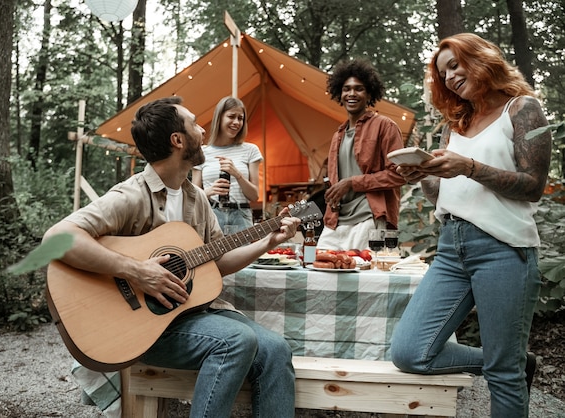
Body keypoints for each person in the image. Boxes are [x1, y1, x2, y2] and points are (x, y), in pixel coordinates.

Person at [43, 96, 300, 418]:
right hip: (140, 326)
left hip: (190, 315)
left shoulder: (197, 199)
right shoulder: (132, 195)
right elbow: (56, 237)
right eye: (195, 123)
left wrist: (266, 242)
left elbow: (216, 261)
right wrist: (136, 270)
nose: (203, 130)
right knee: (236, 339)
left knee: (276, 350)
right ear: (178, 140)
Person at [389, 33, 551, 418]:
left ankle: (506, 363)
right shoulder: (456, 123)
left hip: (504, 250)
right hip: (451, 248)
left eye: (455, 64)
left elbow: (534, 187)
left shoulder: (523, 109)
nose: (449, 77)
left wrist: (470, 167)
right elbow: (442, 194)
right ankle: (511, 359)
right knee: (410, 352)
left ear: (481, 58)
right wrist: (420, 174)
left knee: (502, 377)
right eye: (443, 73)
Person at [318, 58, 406, 251]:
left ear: (369, 94)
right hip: (335, 220)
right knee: (321, 270)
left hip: (369, 217)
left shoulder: (385, 126)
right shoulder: (337, 135)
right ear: (339, 94)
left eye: (359, 88)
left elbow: (398, 174)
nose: (352, 93)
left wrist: (352, 182)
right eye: (346, 89)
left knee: (365, 276)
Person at [192, 96, 263, 234]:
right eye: (231, 116)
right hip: (211, 215)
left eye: (240, 118)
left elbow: (254, 196)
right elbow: (194, 196)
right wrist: (210, 190)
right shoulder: (202, 152)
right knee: (212, 256)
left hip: (241, 216)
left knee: (244, 256)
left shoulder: (250, 150)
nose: (236, 122)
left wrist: (237, 174)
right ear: (220, 118)